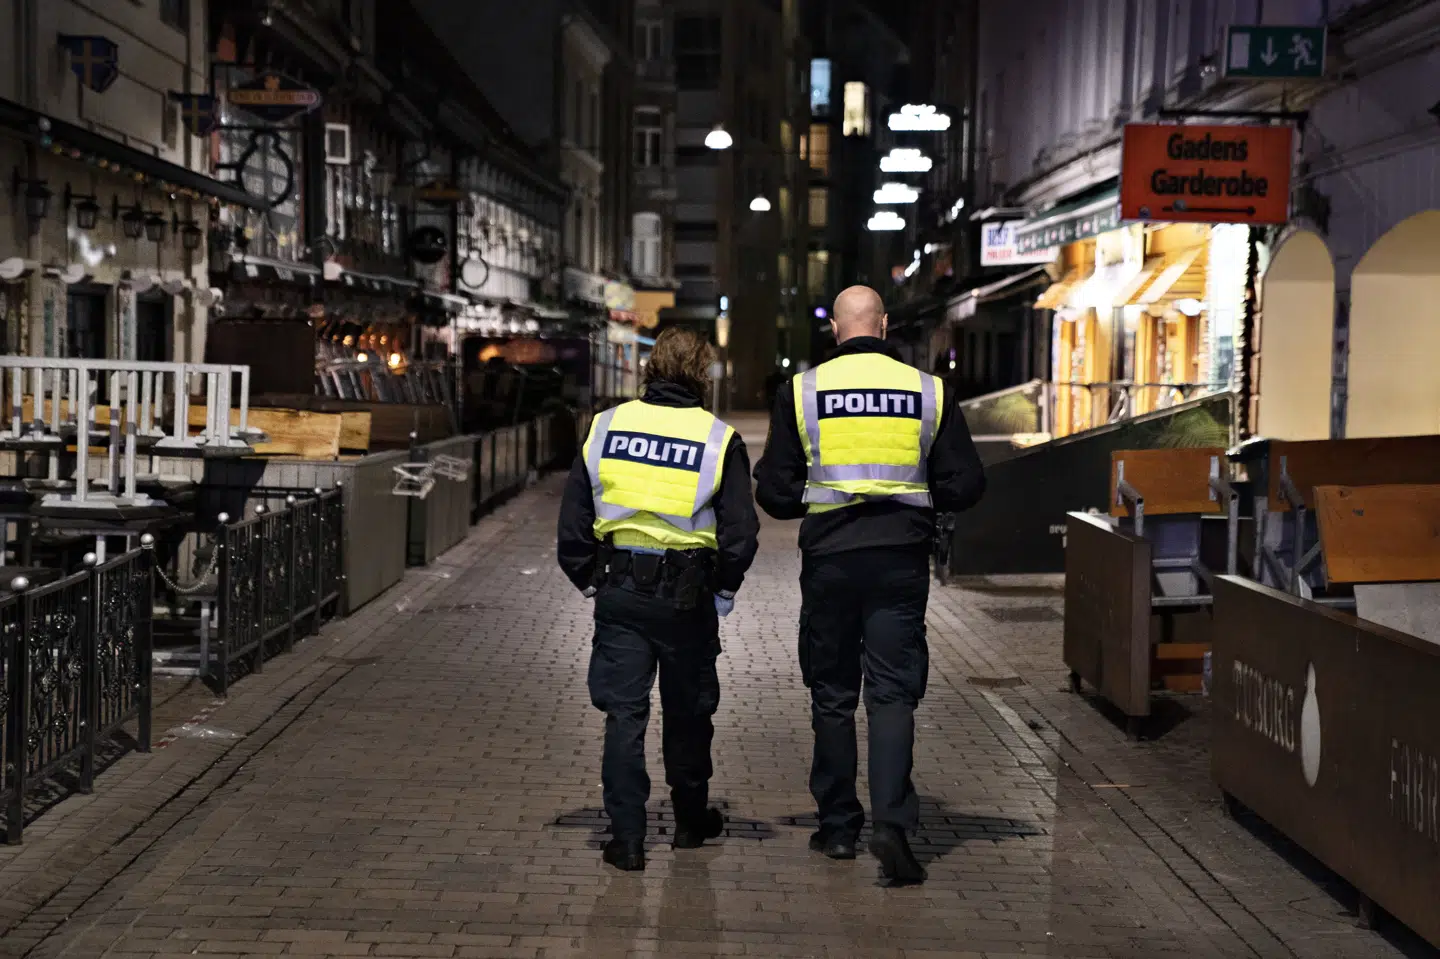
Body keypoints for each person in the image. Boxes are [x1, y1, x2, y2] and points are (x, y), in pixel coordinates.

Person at [753, 285, 986, 885]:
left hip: (831, 560)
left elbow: (775, 494)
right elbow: (967, 485)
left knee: (832, 693)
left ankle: (836, 829)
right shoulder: (928, 391)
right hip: (899, 562)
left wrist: (823, 494)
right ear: (883, 326)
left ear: (836, 329)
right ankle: (892, 824)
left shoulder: (801, 393)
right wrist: (919, 492)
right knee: (891, 693)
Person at [557, 326, 760, 872]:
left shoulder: (606, 427)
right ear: (702, 375)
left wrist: (588, 578)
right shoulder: (718, 438)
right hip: (685, 598)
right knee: (689, 711)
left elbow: (574, 518)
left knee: (625, 715)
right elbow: (741, 532)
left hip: (620, 592)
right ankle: (690, 822)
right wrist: (723, 585)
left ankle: (626, 838)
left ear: (650, 370)